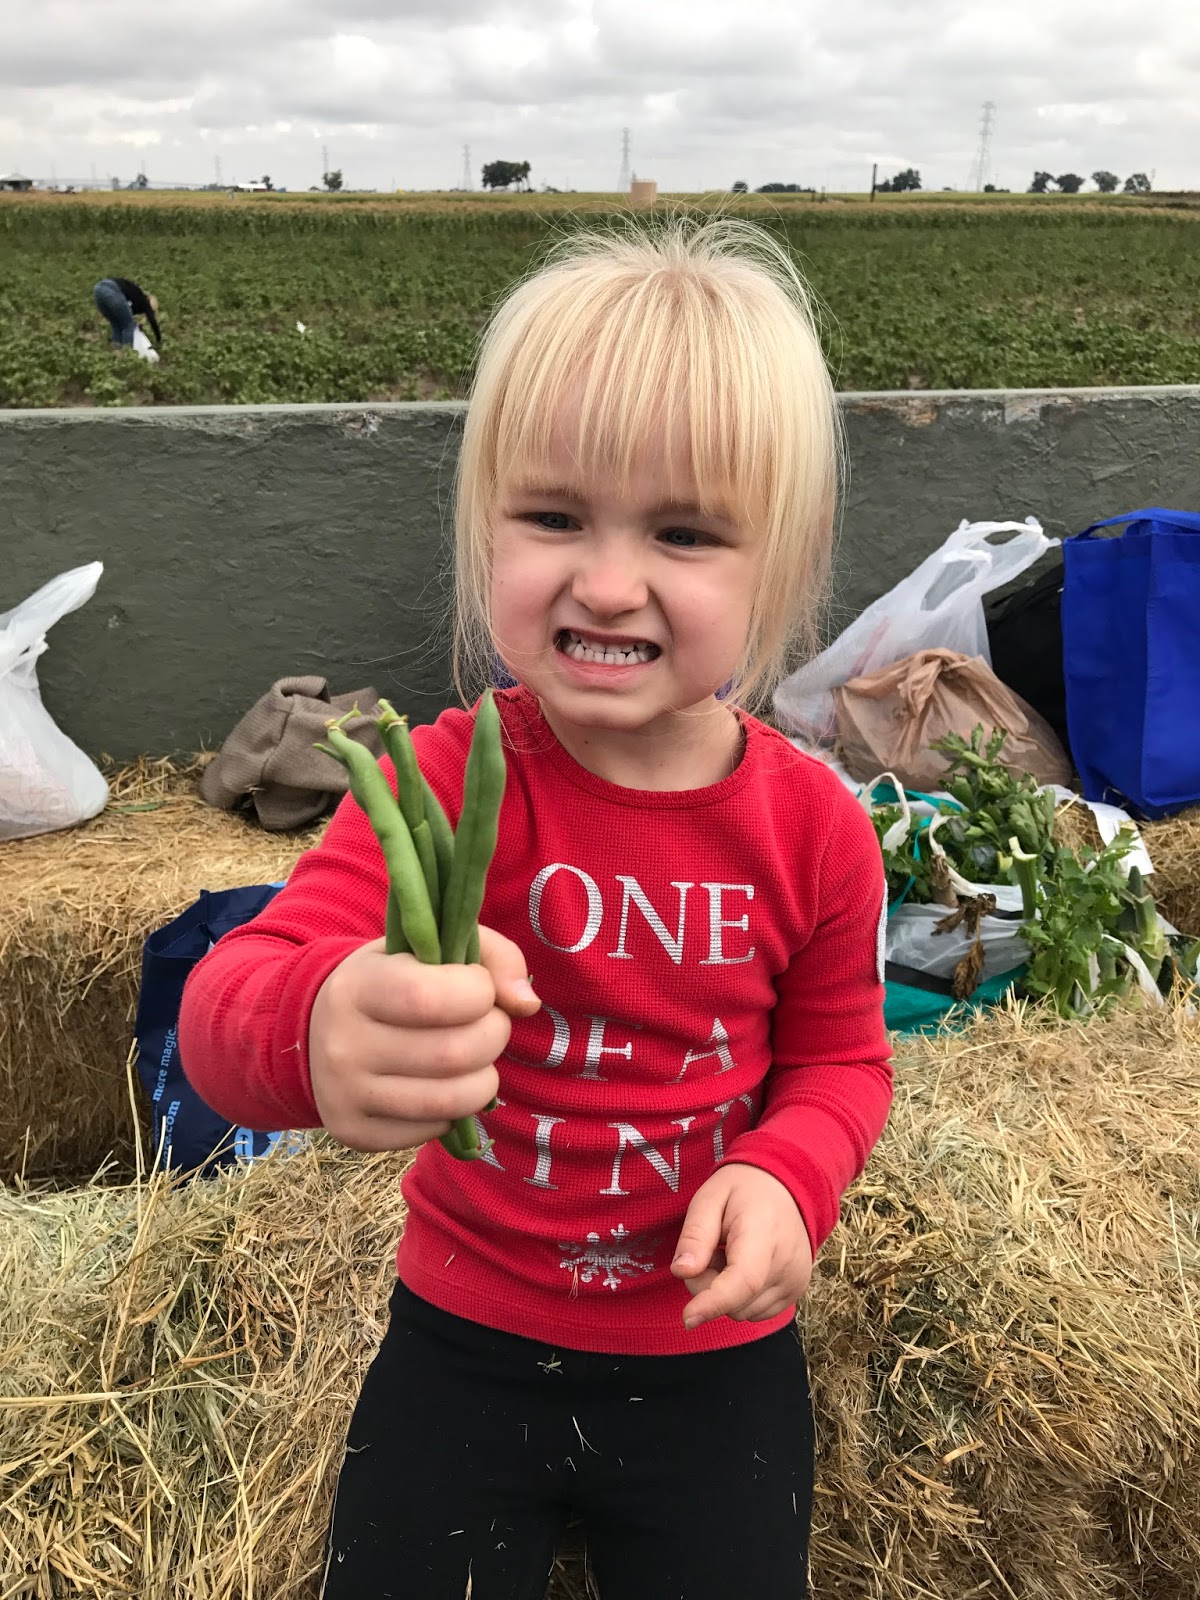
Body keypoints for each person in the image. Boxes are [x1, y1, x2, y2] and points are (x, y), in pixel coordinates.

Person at [178, 216, 892, 1599]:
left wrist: (785, 1173)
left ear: (783, 565)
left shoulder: (812, 828)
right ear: (485, 522)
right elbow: (229, 1006)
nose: (608, 581)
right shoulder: (442, 780)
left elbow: (840, 1065)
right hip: (463, 1339)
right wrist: (319, 1027)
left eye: (684, 533)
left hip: (711, 1358)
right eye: (553, 517)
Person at [92, 276, 161, 351]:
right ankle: (126, 355)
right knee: (128, 325)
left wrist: (141, 324)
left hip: (98, 290)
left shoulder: (136, 297)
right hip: (112, 289)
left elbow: (124, 311)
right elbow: (152, 320)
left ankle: (116, 352)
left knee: (116, 324)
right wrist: (158, 339)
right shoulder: (145, 302)